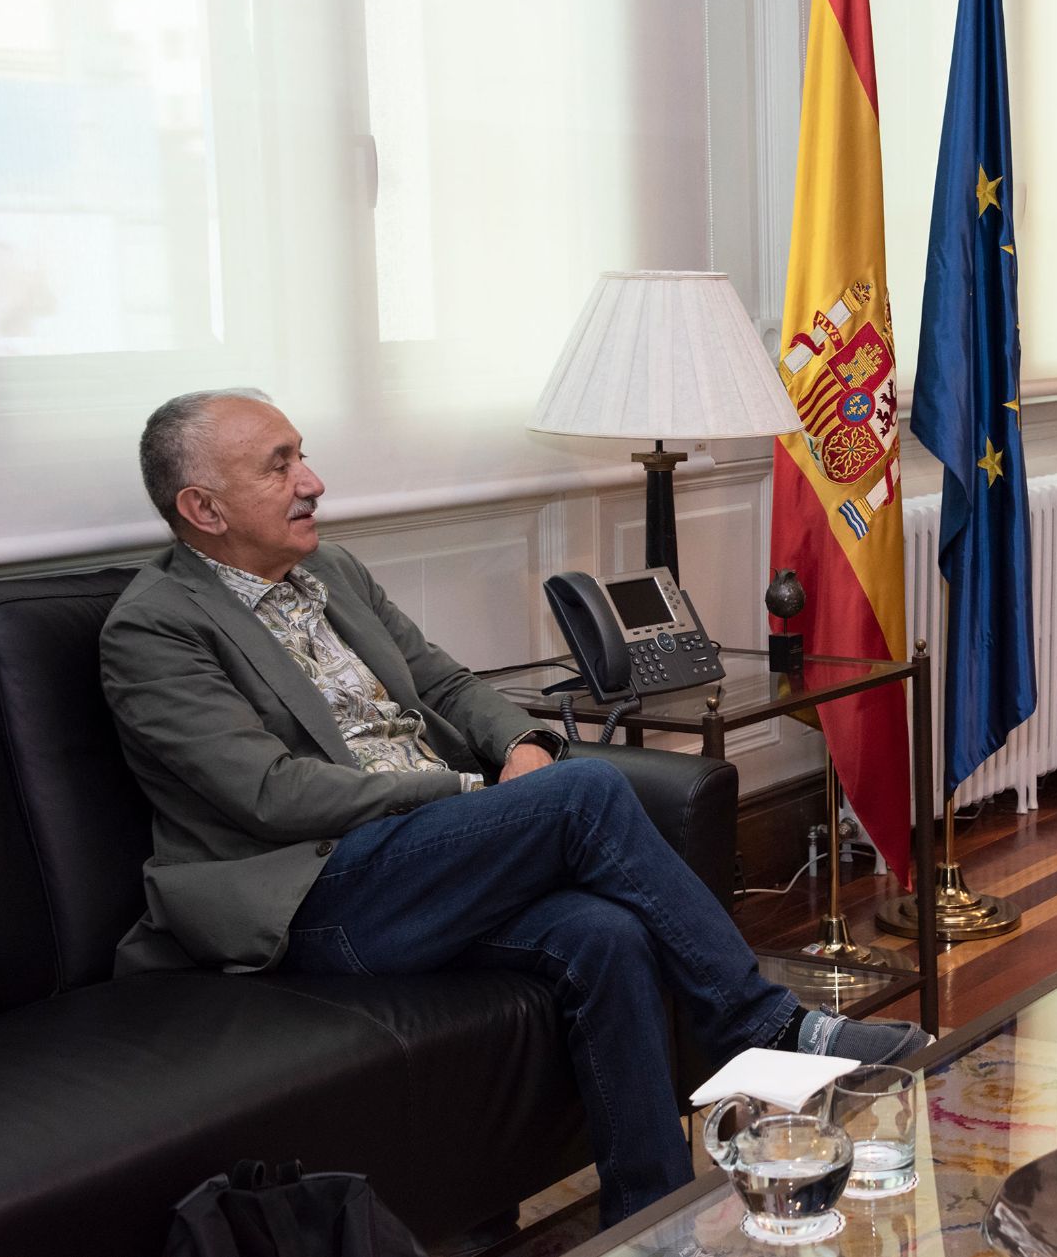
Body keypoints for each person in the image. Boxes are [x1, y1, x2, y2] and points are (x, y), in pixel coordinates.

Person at [100, 388, 931, 1229]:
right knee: (587, 791)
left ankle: (652, 1224)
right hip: (314, 893)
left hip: (422, 859)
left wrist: (520, 747)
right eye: (279, 466)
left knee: (602, 935)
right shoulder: (154, 628)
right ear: (202, 507)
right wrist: (468, 789)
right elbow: (270, 793)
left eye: (302, 453)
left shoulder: (331, 572)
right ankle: (763, 1026)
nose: (311, 480)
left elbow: (448, 684)